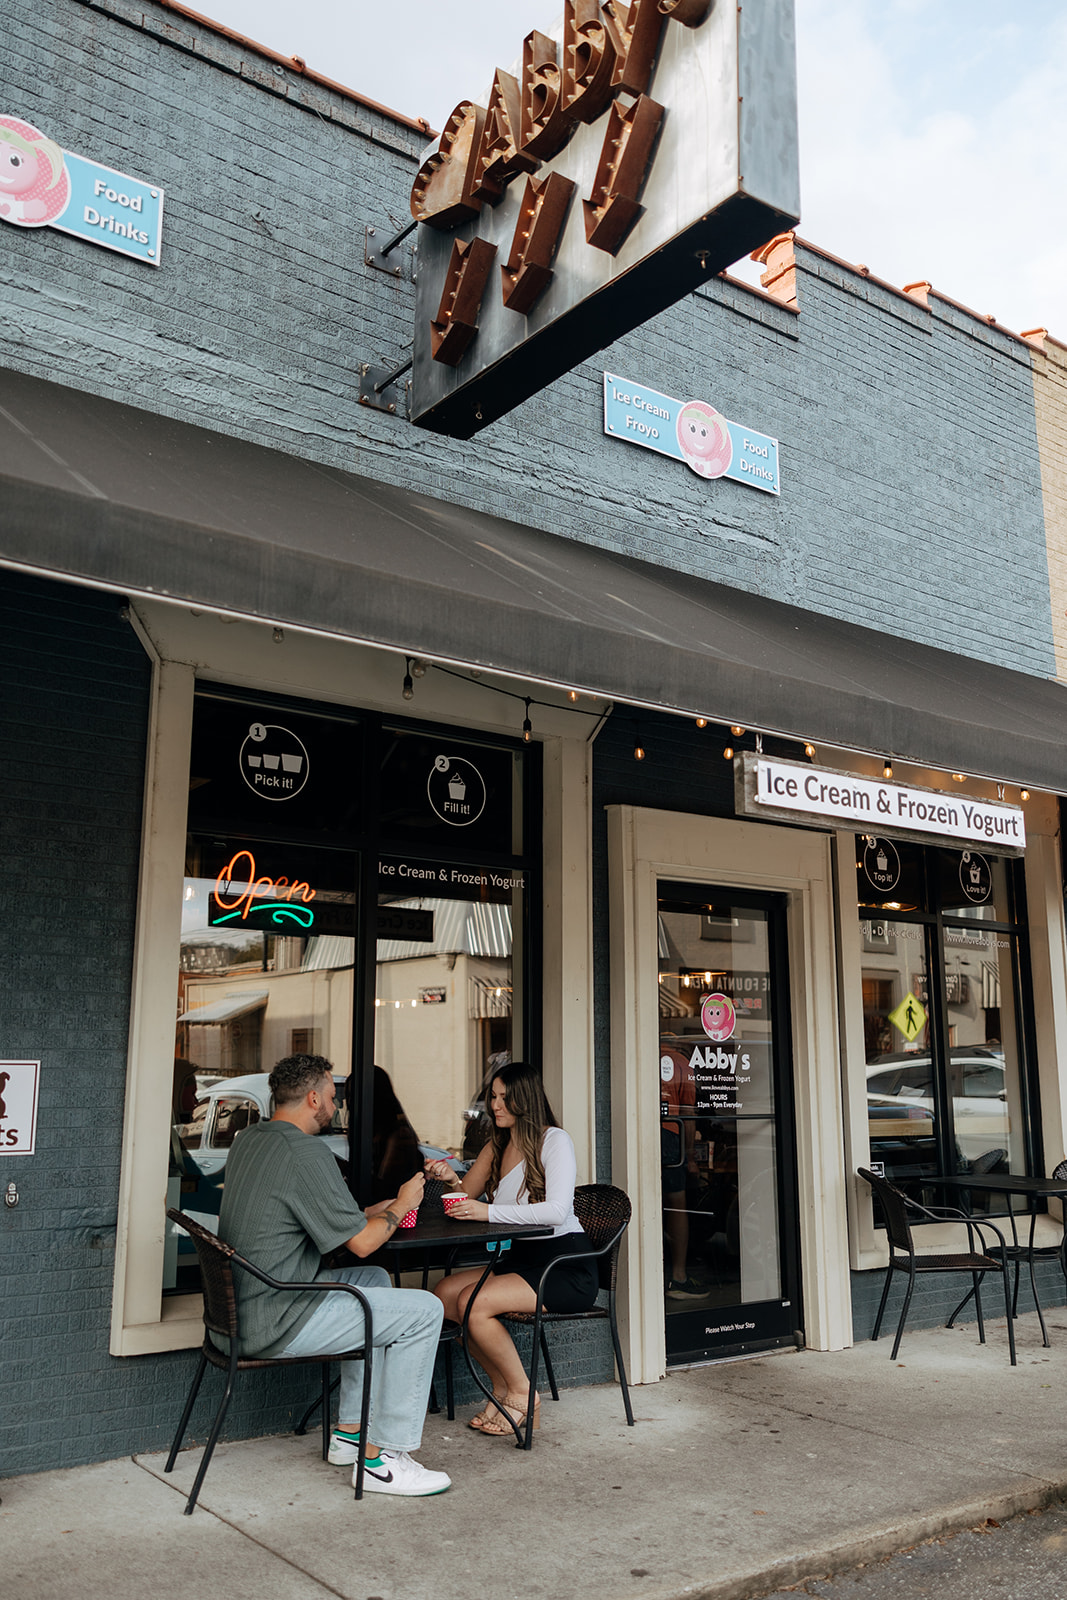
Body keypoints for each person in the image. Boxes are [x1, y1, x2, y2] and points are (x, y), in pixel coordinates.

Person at [217, 1053, 451, 1497]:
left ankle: (350, 1432)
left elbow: (337, 1221)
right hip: (277, 1317)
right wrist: (403, 1203)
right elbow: (361, 1242)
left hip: (246, 1309)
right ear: (311, 1098)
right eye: (330, 1095)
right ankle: (383, 1461)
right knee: (425, 1310)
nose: (336, 1106)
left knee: (374, 1280)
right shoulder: (306, 1152)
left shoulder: (252, 1140)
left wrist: (381, 1209)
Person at [428, 1061, 598, 1437]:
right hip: (522, 1259)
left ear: (526, 1099)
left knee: (474, 1302)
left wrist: (486, 1210)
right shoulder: (497, 1144)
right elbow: (465, 1196)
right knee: (443, 1296)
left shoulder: (554, 1141)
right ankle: (502, 1387)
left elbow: (558, 1211)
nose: (495, 1105)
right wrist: (449, 1178)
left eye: (505, 1098)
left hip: (564, 1265)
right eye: (493, 1096)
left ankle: (523, 1391)